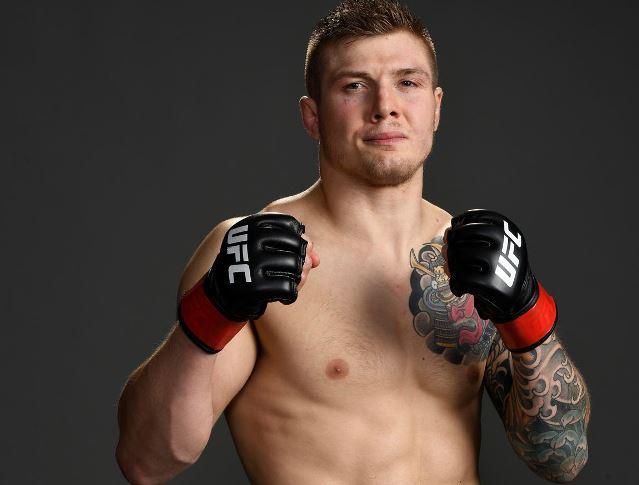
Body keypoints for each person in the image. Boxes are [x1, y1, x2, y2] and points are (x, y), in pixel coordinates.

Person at [115, 0, 591, 483]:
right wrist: (212, 309)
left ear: (436, 107)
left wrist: (527, 311)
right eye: (354, 86)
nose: (385, 106)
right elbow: (147, 461)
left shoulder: (477, 256)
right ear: (313, 116)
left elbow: (561, 458)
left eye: (407, 83)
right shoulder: (253, 253)